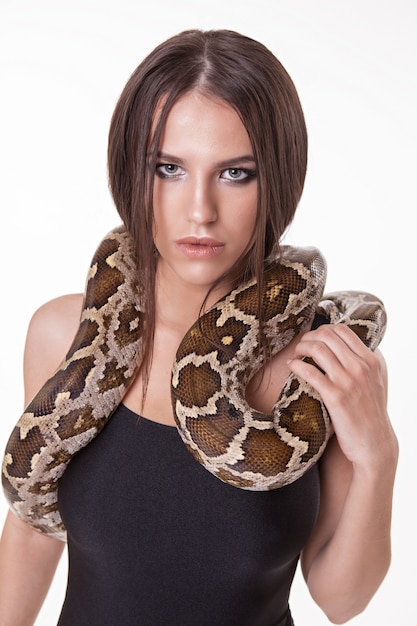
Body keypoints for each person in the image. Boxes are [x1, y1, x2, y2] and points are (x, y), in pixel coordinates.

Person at [0, 29, 398, 626]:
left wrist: (378, 455)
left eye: (236, 173)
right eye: (169, 168)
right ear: (132, 170)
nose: (200, 210)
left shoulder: (329, 362)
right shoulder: (64, 334)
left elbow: (341, 601)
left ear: (279, 179)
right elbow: (35, 531)